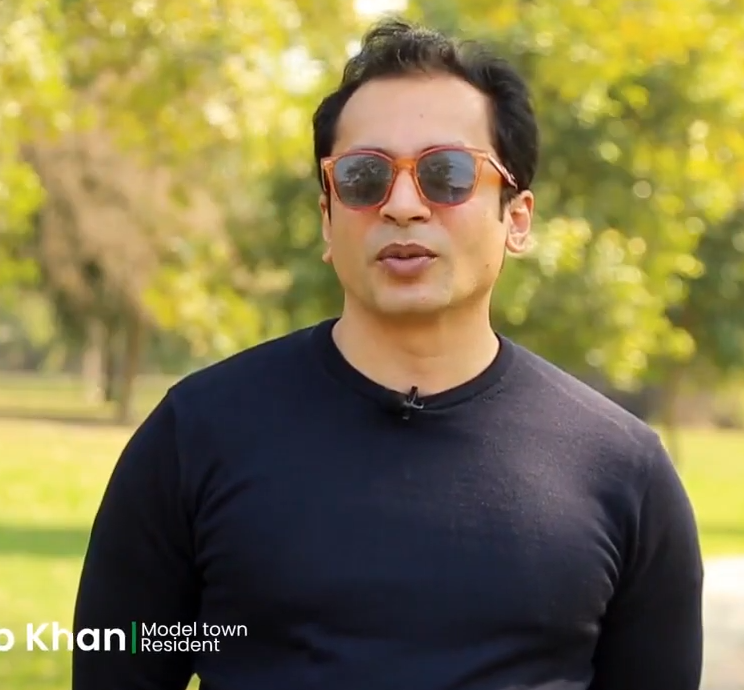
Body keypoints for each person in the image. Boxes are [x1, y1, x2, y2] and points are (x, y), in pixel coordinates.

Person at [71, 17, 704, 690]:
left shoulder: (622, 471)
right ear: (327, 218)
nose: (402, 205)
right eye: (364, 176)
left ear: (516, 219)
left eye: (446, 174)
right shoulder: (196, 436)